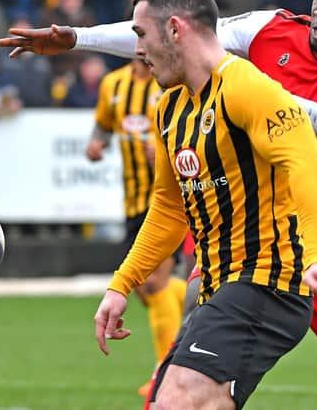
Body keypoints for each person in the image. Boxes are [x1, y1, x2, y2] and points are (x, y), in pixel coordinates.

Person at [0, 0, 317, 409]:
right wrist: (77, 38)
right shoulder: (260, 35)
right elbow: (172, 33)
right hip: (240, 227)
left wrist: (264, 100)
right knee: (184, 369)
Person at [87, 57, 186, 396]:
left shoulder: (174, 81)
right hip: (133, 201)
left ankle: (167, 372)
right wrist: (96, 143)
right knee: (148, 289)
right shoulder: (113, 84)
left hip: (170, 201)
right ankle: (200, 303)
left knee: (154, 283)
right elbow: (103, 123)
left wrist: (164, 152)